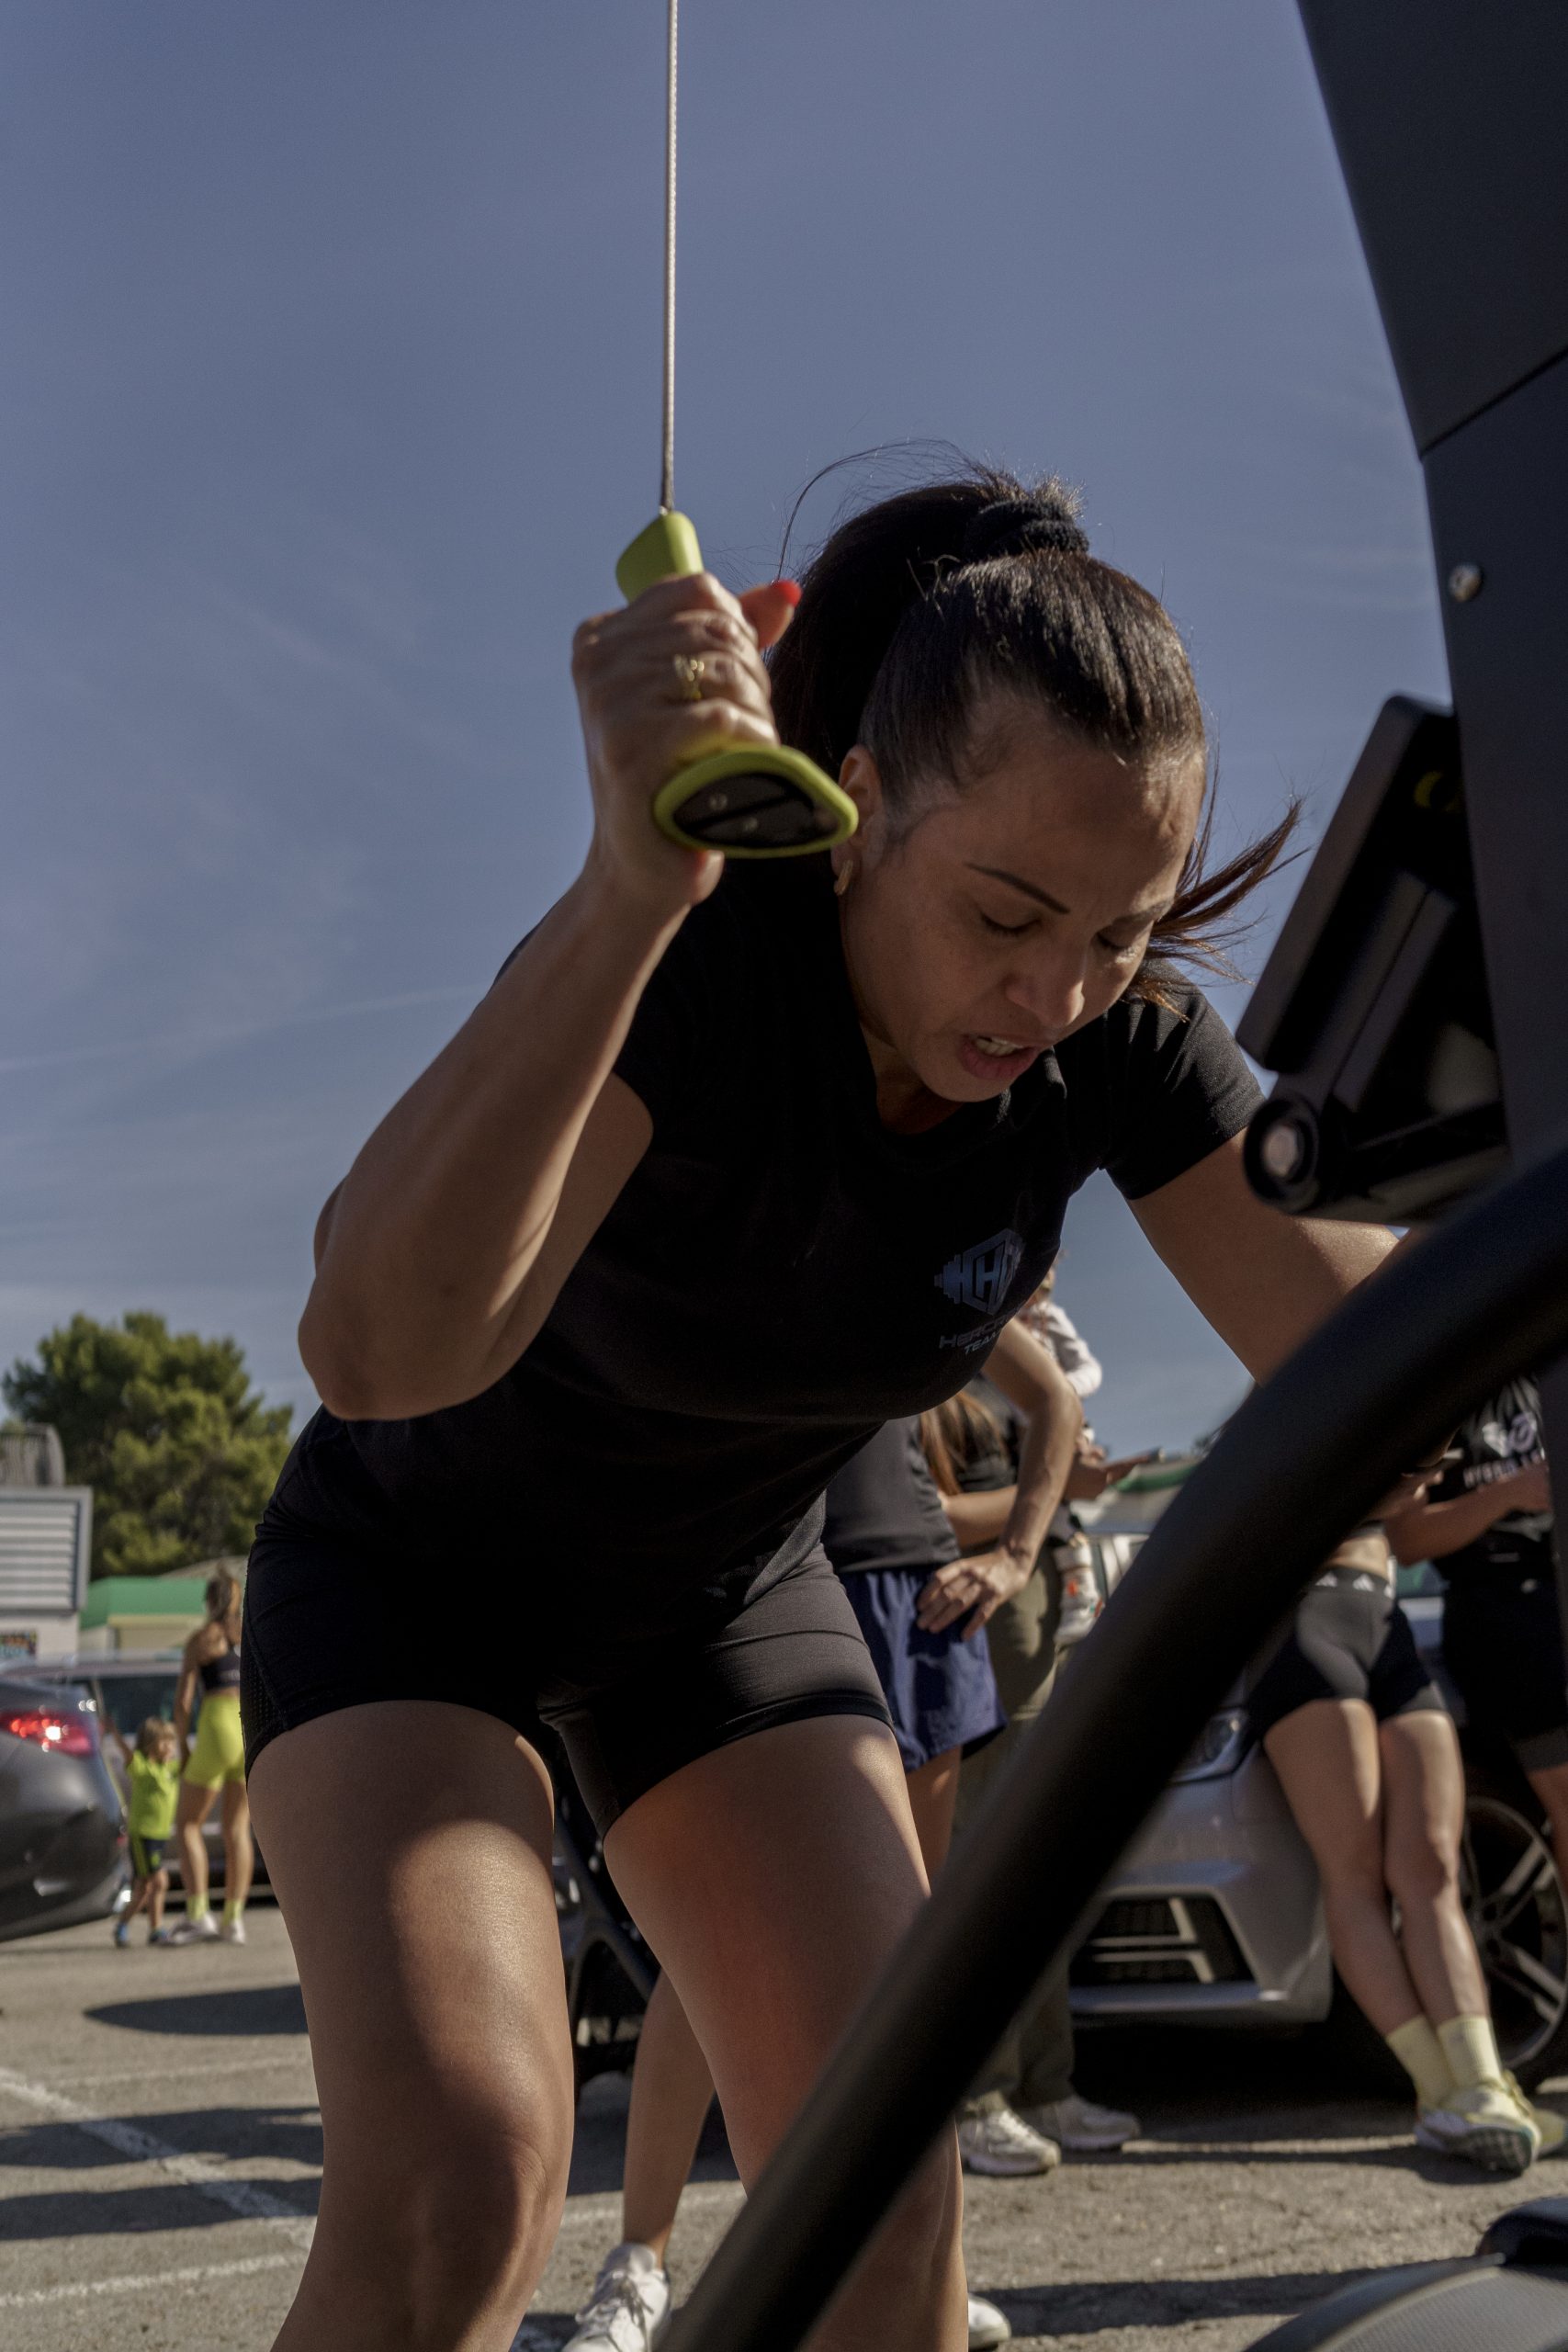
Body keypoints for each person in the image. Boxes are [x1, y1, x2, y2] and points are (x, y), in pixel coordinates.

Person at [243, 464, 1403, 2352]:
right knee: (461, 2172)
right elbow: (375, 1354)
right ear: (857, 804)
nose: (1054, 991)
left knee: (878, 2196)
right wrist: (631, 878)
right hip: (417, 1571)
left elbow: (1384, 1347)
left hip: (716, 1599)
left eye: (1119, 930)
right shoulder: (706, 948)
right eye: (1006, 912)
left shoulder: (1115, 1038)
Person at [562, 1319, 1077, 2352]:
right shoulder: (754, 1207)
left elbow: (1053, 1399)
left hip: (911, 1595)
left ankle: (926, 2270)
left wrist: (1018, 1553)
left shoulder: (942, 1230)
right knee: (704, 1958)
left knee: (905, 1971)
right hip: (763, 1592)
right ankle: (639, 2268)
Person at [1247, 1524, 1564, 2173]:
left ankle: (1480, 2085)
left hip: (1385, 1621)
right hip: (1302, 1621)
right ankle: (1441, 2092)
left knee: (1432, 1867)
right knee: (1353, 1874)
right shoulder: (1287, 1428)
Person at [923, 1355, 1147, 2177]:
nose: (1043, 1277)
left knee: (1040, 1870)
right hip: (988, 1617)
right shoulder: (935, 1352)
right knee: (985, 1870)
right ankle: (978, 2096)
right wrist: (1049, 1493)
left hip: (1048, 1607)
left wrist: (1059, 1490)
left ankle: (1046, 2084)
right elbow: (928, 1512)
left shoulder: (1024, 1351)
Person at [1383, 1380, 1567, 1872]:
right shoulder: (1443, 1398)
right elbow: (1408, 1541)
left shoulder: (1540, 1382)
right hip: (1502, 1618)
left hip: (1552, 1596)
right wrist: (1508, 1493)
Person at [169, 1567, 254, 1946]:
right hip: (248, 1729)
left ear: (208, 1600)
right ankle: (233, 1920)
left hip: (217, 1726)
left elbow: (184, 1702)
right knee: (237, 1829)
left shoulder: (200, 1640)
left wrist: (184, 1747)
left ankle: (198, 1912)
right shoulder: (250, 1634)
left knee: (188, 1824)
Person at [105, 1714, 180, 1947]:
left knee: (144, 1888)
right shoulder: (143, 1768)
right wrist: (115, 1734)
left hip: (159, 1836)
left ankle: (124, 1925)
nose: (169, 1747)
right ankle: (156, 1929)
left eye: (171, 1742)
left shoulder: (170, 1769)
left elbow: (190, 1760)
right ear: (150, 1745)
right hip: (143, 1835)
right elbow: (129, 1756)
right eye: (163, 1742)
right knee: (159, 1881)